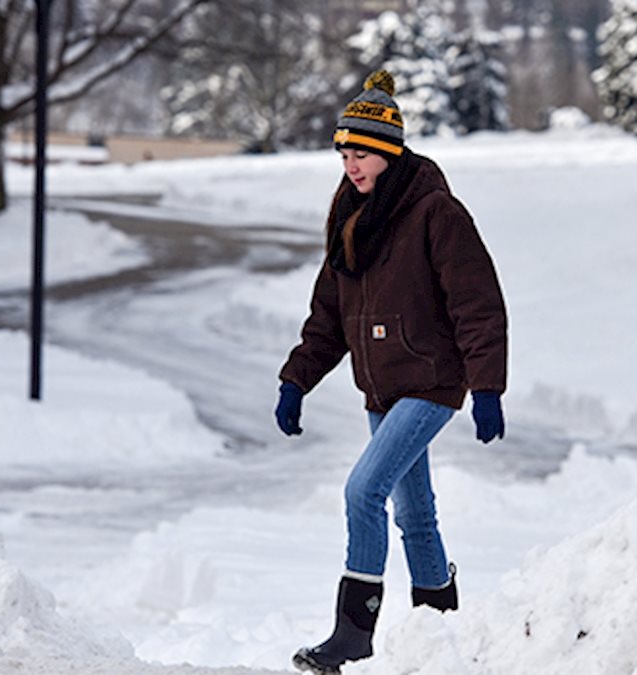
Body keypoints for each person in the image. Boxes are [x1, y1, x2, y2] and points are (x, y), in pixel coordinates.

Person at [275, 70, 508, 674]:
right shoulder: (350, 218)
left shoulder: (435, 212)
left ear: (387, 150)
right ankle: (444, 628)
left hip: (430, 381)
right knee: (415, 515)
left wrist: (485, 385)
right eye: (344, 152)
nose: (350, 163)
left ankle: (353, 632)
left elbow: (476, 302)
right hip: (380, 387)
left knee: (363, 491)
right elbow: (329, 310)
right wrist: (297, 378)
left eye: (361, 152)